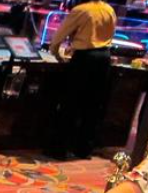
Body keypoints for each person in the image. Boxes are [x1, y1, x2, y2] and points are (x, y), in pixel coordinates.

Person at [46, 0, 116, 160]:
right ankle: (83, 149)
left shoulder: (81, 10)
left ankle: (59, 149)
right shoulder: (109, 10)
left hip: (85, 59)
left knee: (70, 104)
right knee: (93, 106)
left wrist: (56, 53)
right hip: (105, 58)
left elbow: (58, 37)